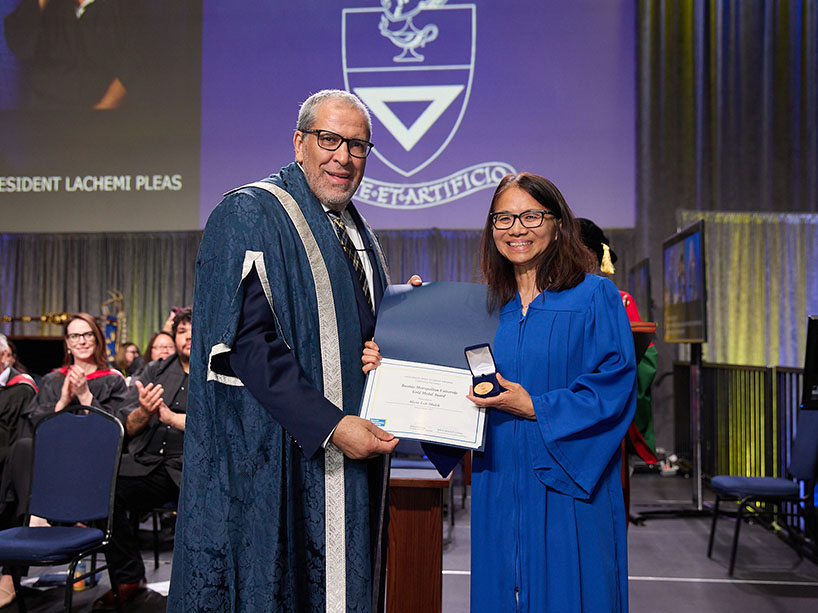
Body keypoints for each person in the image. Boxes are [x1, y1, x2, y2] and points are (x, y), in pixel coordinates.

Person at [169, 90, 401, 611]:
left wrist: (404, 324)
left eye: (358, 145)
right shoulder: (250, 212)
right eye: (330, 139)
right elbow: (245, 343)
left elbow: (357, 334)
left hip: (348, 455)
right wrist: (332, 425)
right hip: (275, 458)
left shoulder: (356, 231)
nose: (344, 156)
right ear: (299, 143)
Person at [363, 173, 637, 611]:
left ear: (558, 224)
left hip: (568, 480)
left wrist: (536, 406)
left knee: (574, 594)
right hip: (498, 477)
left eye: (531, 216)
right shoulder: (484, 308)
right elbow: (447, 385)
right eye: (503, 218)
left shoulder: (594, 296)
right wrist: (401, 337)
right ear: (491, 229)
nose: (516, 229)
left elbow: (615, 385)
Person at [0, 313, 127, 607]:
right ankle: (36, 518)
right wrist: (61, 401)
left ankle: (13, 567)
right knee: (22, 447)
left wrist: (84, 396)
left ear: (97, 339)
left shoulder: (113, 380)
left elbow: (112, 433)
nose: (81, 341)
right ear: (67, 343)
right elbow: (36, 429)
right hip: (53, 467)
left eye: (87, 335)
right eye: (74, 336)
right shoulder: (54, 379)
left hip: (92, 463)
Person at [92, 308, 192, 610]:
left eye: (194, 329)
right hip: (149, 464)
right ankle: (129, 578)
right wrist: (144, 412)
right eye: (181, 331)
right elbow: (128, 426)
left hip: (192, 467)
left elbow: (222, 424)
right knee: (101, 488)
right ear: (173, 337)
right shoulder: (156, 370)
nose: (188, 336)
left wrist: (173, 419)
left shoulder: (220, 369)